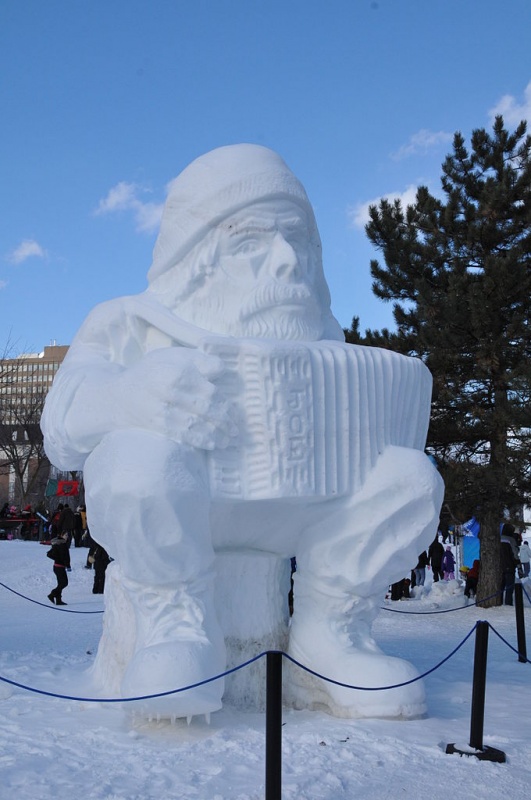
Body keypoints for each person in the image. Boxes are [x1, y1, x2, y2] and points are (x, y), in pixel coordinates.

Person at [41, 144, 444, 720]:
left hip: (303, 519)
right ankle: (176, 628)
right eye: (251, 240)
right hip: (190, 512)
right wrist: (129, 395)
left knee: (411, 479)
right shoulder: (129, 321)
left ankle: (331, 632)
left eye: (297, 237)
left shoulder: (325, 336)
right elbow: (61, 426)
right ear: (197, 255)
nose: (286, 260)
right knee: (132, 462)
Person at [47, 531, 71, 605]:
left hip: (57, 566)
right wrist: (67, 565)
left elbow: (50, 554)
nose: (67, 537)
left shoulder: (57, 543)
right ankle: (52, 594)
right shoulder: (62, 544)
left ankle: (58, 600)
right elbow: (65, 557)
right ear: (61, 535)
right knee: (64, 583)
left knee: (60, 583)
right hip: (60, 566)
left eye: (67, 535)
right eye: (65, 535)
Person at [500, 523, 520, 605]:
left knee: (500, 588)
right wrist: (519, 567)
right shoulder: (511, 540)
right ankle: (508, 604)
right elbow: (515, 554)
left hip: (499, 567)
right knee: (509, 588)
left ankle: (499, 602)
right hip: (509, 567)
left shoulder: (498, 539)